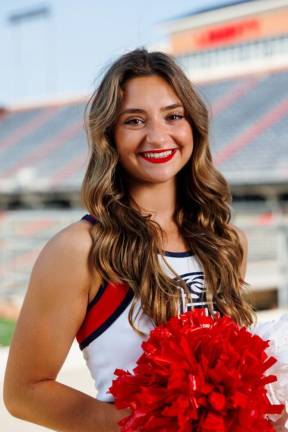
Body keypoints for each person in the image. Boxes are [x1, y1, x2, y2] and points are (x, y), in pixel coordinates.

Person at [3, 48, 255, 431]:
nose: (158, 135)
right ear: (110, 135)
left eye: (173, 116)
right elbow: (24, 392)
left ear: (194, 126)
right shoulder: (81, 248)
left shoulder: (226, 242)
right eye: (134, 121)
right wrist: (144, 422)